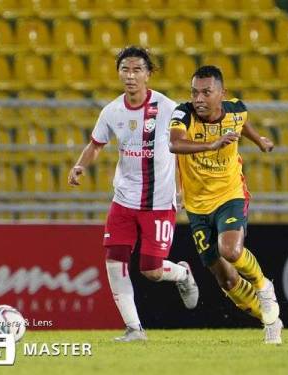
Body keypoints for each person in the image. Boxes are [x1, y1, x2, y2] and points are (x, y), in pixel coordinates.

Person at [68, 46, 199, 342]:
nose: (130, 76)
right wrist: (79, 165)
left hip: (159, 202)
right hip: (123, 200)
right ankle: (134, 329)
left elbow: (182, 151)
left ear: (148, 74)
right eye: (125, 70)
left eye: (137, 70)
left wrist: (181, 188)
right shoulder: (112, 111)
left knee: (151, 269)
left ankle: (182, 274)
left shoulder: (169, 108)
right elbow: (96, 144)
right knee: (114, 260)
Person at [168, 65, 282, 344]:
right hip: (196, 205)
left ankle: (263, 286)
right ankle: (271, 321)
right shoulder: (182, 114)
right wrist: (210, 146)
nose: (199, 99)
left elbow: (241, 123)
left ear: (222, 94)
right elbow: (174, 145)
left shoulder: (236, 109)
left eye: (206, 92)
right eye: (195, 92)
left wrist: (259, 141)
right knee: (226, 280)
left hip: (230, 194)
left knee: (230, 250)